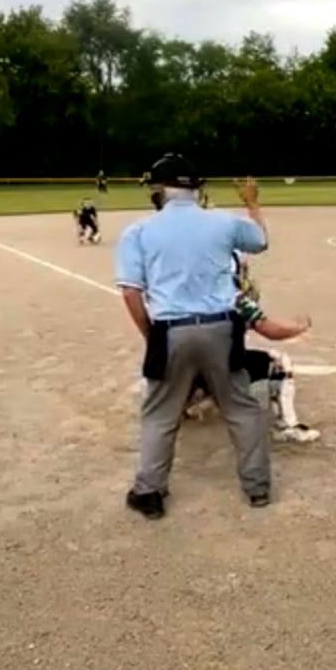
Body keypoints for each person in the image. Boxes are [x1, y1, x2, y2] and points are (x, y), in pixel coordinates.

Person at [114, 153, 273, 519]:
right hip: (223, 326)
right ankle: (258, 489)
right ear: (195, 188)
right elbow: (261, 241)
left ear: (159, 189)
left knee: (160, 414)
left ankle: (149, 492)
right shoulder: (223, 222)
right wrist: (252, 203)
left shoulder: (139, 231)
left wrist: (152, 336)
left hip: (171, 328)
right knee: (241, 408)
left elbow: (131, 292)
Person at [182, 253, 320, 443]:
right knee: (279, 363)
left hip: (177, 362)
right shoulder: (234, 296)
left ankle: (187, 403)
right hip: (219, 365)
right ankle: (287, 425)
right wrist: (300, 327)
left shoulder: (177, 292)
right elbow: (271, 331)